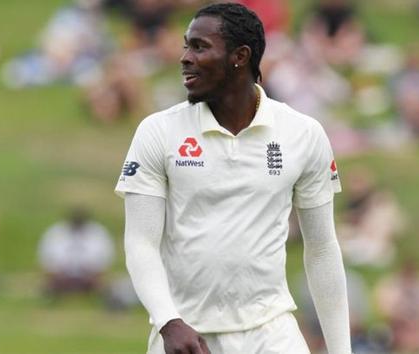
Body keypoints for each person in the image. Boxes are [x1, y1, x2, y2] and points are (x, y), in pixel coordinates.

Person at [115, 3, 351, 354]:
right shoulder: (158, 132)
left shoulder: (303, 134)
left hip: (272, 334)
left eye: (199, 47)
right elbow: (140, 243)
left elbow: (321, 249)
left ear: (240, 56)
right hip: (186, 337)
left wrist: (341, 351)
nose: (184, 58)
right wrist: (168, 321)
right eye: (186, 45)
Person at [37, 207, 114, 296]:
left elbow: (105, 259)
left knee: (101, 285)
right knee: (49, 286)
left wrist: (93, 271)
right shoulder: (55, 233)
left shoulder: (98, 233)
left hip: (89, 276)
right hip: (61, 276)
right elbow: (47, 259)